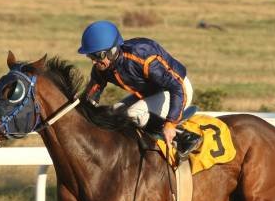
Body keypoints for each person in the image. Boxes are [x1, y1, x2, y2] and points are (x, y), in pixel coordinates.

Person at [78, 20, 201, 157]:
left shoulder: (142, 57)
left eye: (97, 56)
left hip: (178, 89)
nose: (94, 61)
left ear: (112, 51)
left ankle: (185, 137)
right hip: (152, 93)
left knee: (133, 113)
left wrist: (171, 123)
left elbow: (176, 86)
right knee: (113, 113)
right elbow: (91, 96)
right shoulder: (102, 68)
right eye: (90, 56)